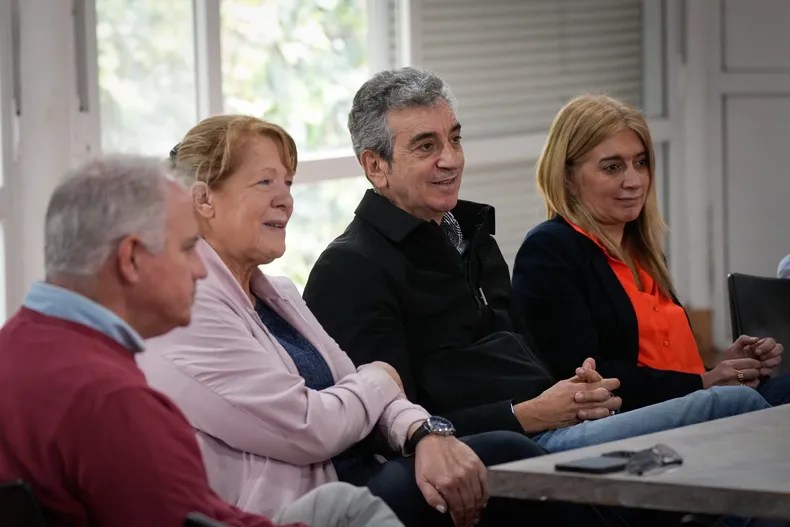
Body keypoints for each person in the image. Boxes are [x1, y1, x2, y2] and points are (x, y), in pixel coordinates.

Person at [302, 67, 770, 456]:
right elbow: (389, 425)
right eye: (426, 146)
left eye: (455, 139)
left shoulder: (473, 239)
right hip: (512, 447)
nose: (451, 160)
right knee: (731, 407)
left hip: (555, 424)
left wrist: (580, 386)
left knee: (755, 404)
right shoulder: (351, 268)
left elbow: (533, 361)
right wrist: (527, 414)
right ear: (375, 166)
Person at [139, 115, 553, 527]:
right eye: (265, 182)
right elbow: (308, 426)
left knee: (499, 459)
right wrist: (381, 377)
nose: (286, 199)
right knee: (505, 459)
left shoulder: (279, 292)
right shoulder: (188, 311)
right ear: (204, 200)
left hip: (362, 475)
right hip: (298, 511)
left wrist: (424, 433)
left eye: (288, 183)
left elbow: (360, 386)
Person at [0, 155, 404, 527]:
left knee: (340, 505)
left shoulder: (15, 345)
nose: (199, 269)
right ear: (132, 259)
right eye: (189, 247)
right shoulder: (113, 400)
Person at [511, 93, 790, 410]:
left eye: (640, 163)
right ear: (567, 179)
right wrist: (703, 384)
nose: (634, 181)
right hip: (617, 421)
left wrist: (728, 371)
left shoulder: (641, 250)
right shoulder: (549, 250)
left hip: (685, 405)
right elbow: (581, 377)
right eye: (612, 167)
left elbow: (674, 374)